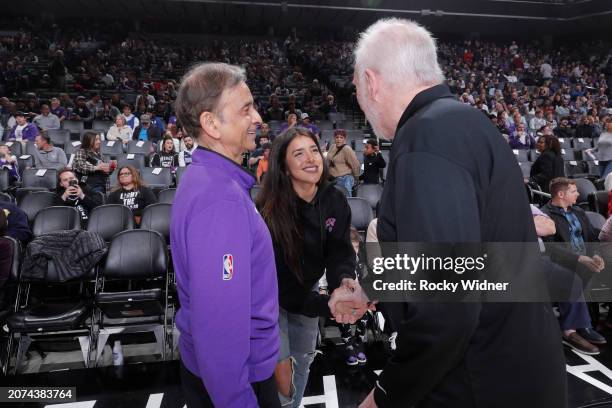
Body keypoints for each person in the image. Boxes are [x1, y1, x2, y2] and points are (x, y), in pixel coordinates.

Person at [352, 18, 566, 408]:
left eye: (357, 88)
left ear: (372, 82)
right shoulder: (466, 121)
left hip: (478, 381)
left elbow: (448, 307)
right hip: (518, 369)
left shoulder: (424, 138)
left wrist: (386, 394)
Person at [170, 62, 281, 408]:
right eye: (246, 109)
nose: (258, 118)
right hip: (236, 382)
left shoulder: (207, 181)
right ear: (211, 124)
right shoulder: (220, 199)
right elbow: (219, 328)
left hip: (221, 374)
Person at [257, 127, 363, 407]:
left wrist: (344, 283)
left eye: (314, 150)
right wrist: (329, 306)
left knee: (303, 360)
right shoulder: (269, 209)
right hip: (270, 297)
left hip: (309, 289)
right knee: (280, 370)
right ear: (284, 165)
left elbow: (340, 251)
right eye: (299, 153)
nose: (311, 159)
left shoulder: (334, 198)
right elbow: (283, 286)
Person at [540, 178, 606, 354]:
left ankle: (588, 320)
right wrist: (581, 259)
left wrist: (597, 254)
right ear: (561, 194)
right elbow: (551, 250)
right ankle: (580, 325)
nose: (578, 194)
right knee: (578, 272)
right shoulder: (545, 215)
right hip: (564, 261)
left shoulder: (578, 211)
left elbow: (592, 236)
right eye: (574, 191)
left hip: (586, 258)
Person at [326, 129, 360, 197]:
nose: (339, 139)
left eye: (341, 137)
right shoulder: (332, 146)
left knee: (345, 201)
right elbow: (328, 161)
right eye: (337, 137)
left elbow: (355, 165)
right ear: (334, 138)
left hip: (345, 179)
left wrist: (356, 178)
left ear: (345, 139)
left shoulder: (347, 149)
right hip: (332, 179)